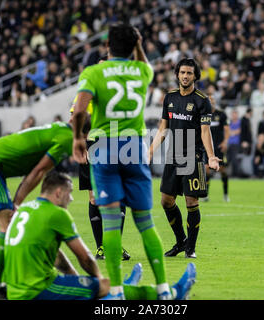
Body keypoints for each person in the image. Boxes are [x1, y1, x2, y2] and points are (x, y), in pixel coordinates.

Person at [72, 23, 171, 300]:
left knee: (111, 222)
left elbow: (79, 109)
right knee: (146, 223)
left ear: (107, 45)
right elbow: (144, 63)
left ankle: (115, 291)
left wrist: (78, 138)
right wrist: (138, 44)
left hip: (103, 146)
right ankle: (163, 289)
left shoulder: (93, 71)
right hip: (134, 147)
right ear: (135, 45)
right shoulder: (142, 71)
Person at [4, 170, 197, 300]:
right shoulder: (57, 214)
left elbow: (56, 256)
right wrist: (101, 282)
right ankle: (172, 293)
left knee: (94, 287)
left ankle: (122, 285)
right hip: (36, 289)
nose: (71, 198)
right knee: (105, 288)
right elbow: (85, 258)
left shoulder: (24, 210)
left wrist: (75, 278)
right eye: (69, 193)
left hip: (16, 288)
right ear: (58, 192)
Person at [0, 121, 81, 299]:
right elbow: (39, 171)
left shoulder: (60, 130)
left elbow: (37, 170)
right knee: (8, 223)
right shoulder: (67, 138)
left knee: (9, 224)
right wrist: (17, 201)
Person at [149, 58, 220, 259]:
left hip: (193, 155)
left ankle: (191, 248)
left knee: (191, 202)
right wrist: (151, 150)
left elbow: (206, 132)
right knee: (166, 201)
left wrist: (211, 157)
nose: (185, 76)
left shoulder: (202, 100)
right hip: (173, 155)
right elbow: (163, 127)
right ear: (177, 75)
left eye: (189, 73)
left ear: (195, 76)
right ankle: (181, 241)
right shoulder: (169, 97)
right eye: (182, 73)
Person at [69, 97, 130, 261]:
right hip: (91, 145)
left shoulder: (115, 93)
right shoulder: (85, 93)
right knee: (94, 198)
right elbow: (75, 119)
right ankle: (101, 247)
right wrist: (81, 143)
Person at [203, 95, 230, 202]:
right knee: (206, 170)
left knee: (223, 171)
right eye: (209, 101)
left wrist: (225, 142)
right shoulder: (203, 115)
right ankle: (206, 195)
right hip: (207, 147)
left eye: (212, 100)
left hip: (218, 147)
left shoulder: (221, 114)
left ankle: (226, 194)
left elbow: (227, 130)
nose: (211, 102)